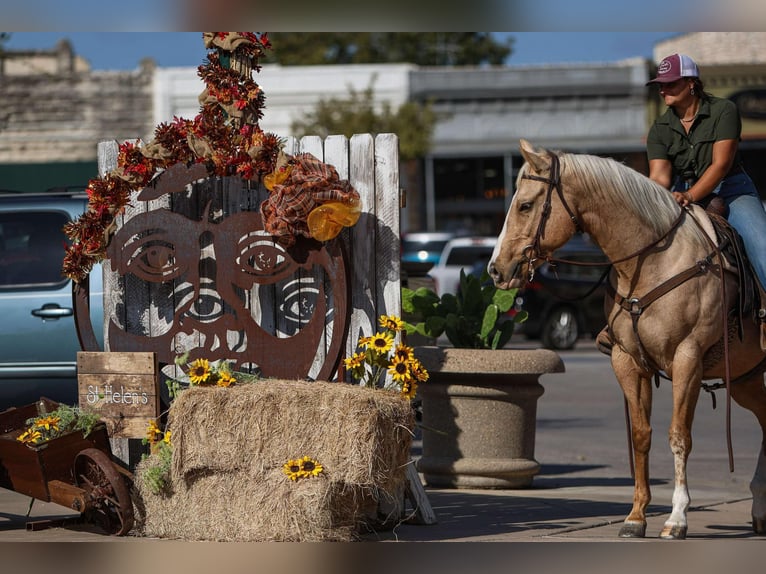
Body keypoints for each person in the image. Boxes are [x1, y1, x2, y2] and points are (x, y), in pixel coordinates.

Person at [596, 53, 766, 355]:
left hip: (732, 189)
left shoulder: (723, 110)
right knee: (640, 243)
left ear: (691, 84)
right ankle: (618, 321)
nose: (663, 91)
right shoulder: (660, 129)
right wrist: (642, 200)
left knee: (762, 246)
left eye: (670, 84)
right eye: (660, 85)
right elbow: (660, 177)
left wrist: (691, 196)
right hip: (678, 191)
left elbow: (721, 165)